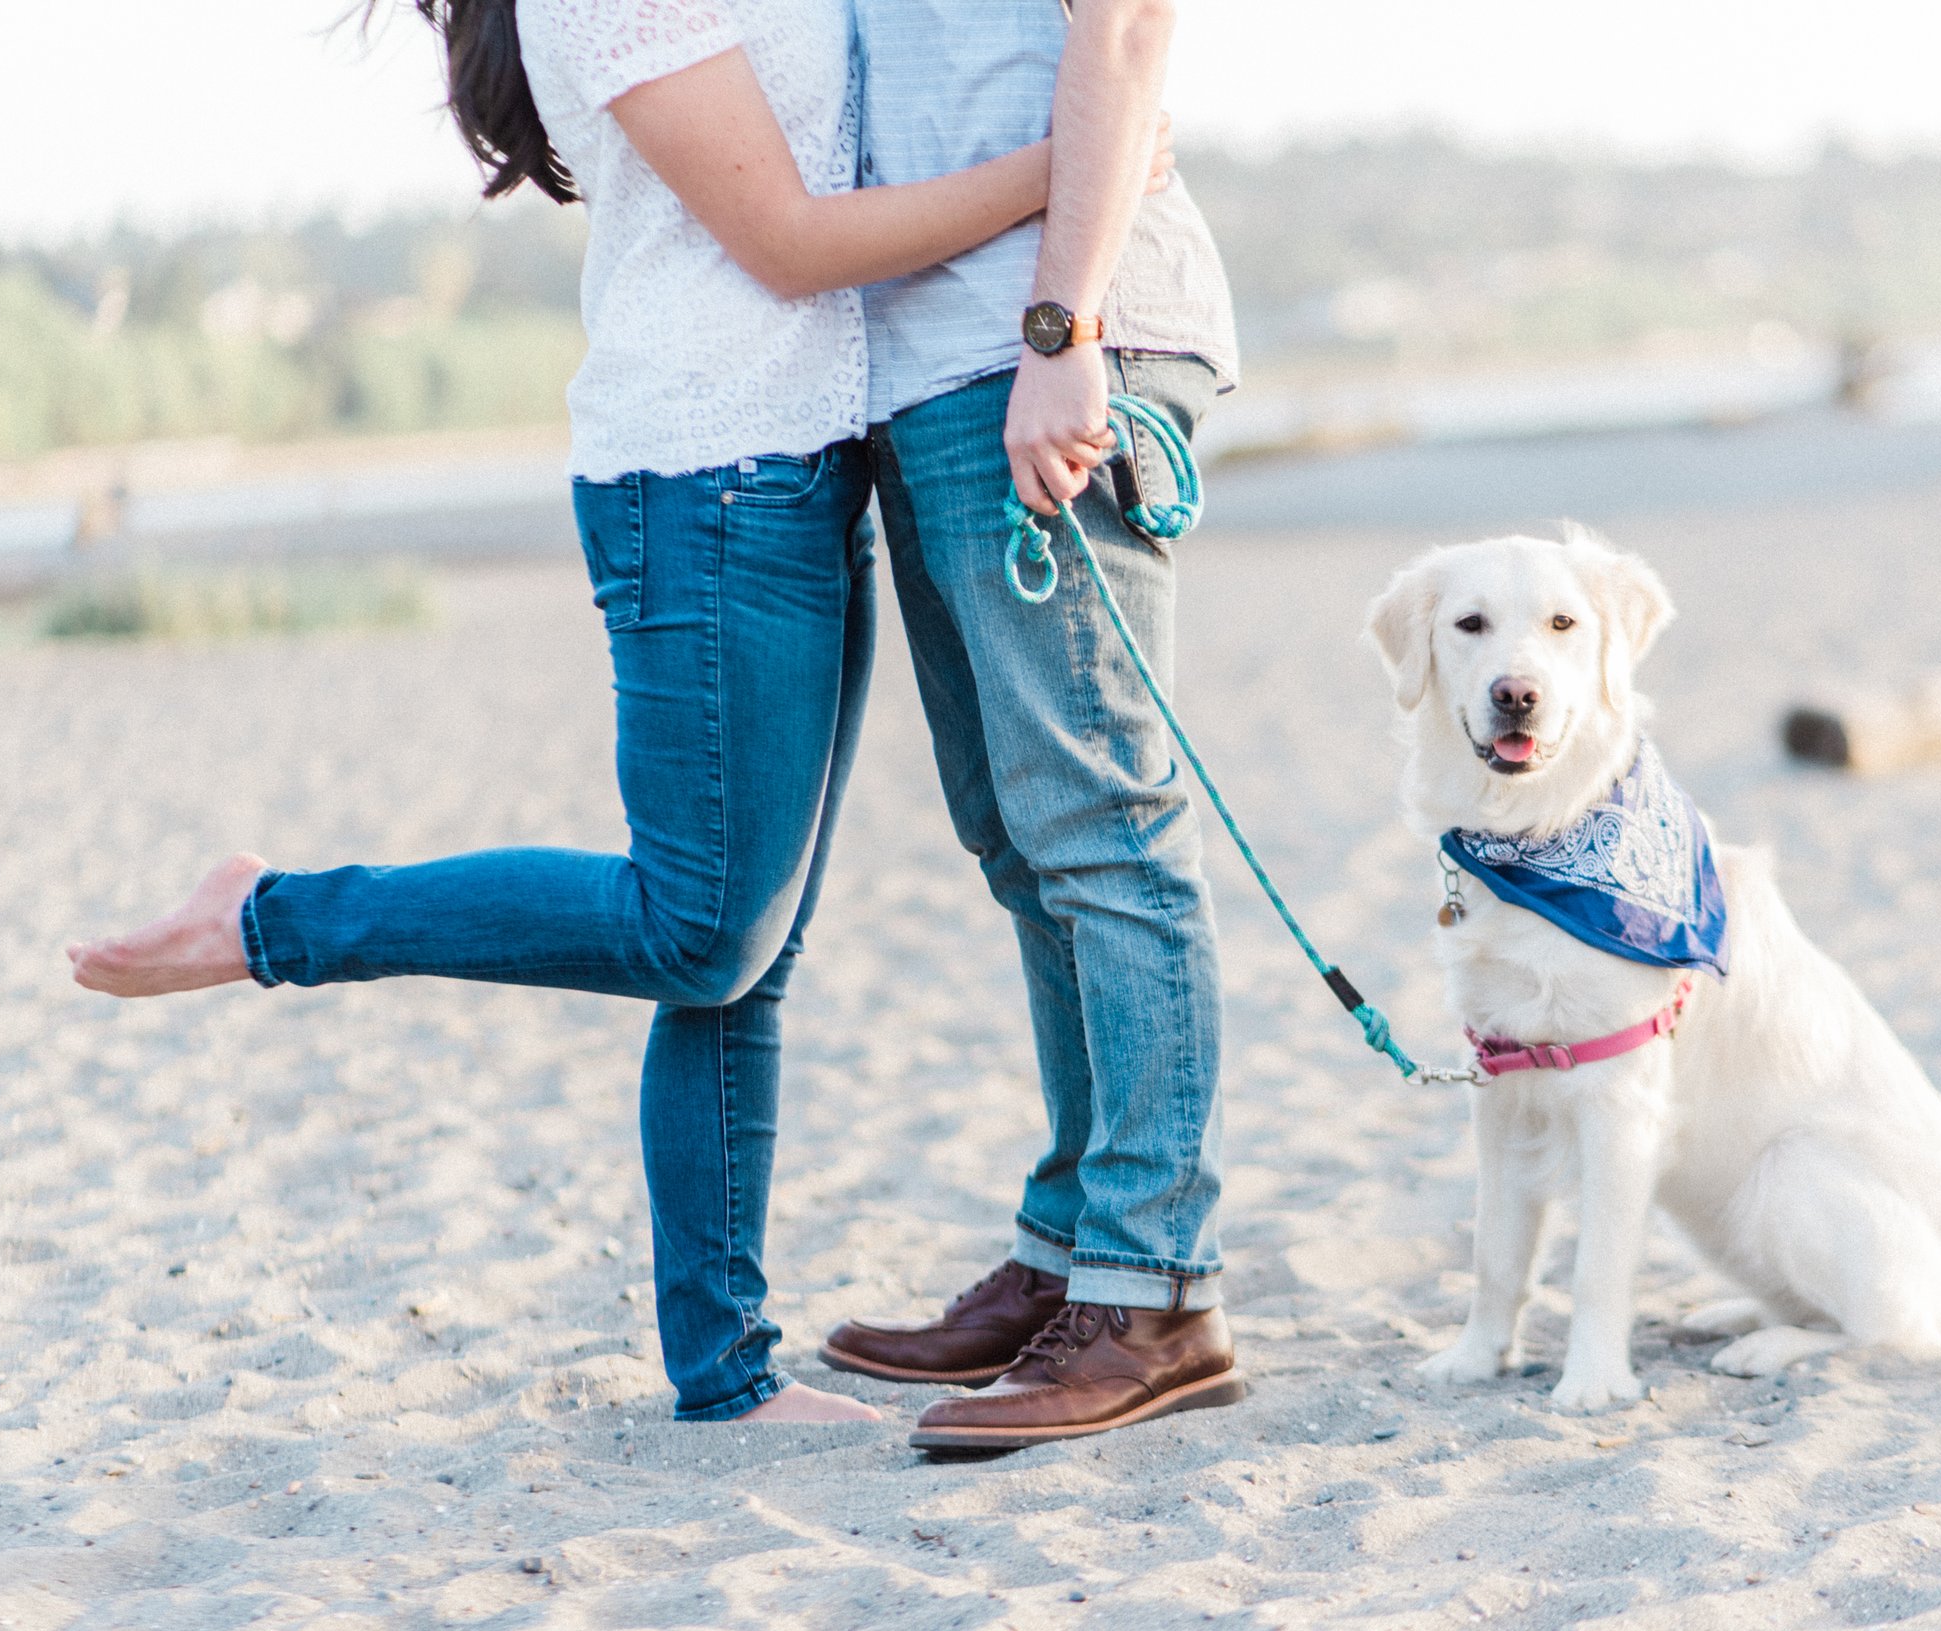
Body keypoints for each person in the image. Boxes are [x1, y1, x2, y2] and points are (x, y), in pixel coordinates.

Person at [67, 0, 1165, 1426]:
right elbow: (791, 244)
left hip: (806, 465)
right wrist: (1067, 171)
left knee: (744, 954)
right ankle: (275, 916)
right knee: (698, 924)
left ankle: (725, 1373)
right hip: (701, 485)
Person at [813, 0, 1249, 1451]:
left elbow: (1124, 38)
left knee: (1102, 825)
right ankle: (1072, 1249)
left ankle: (1152, 1288)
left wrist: (1068, 329)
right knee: (1018, 836)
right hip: (933, 367)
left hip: (1056, 338)